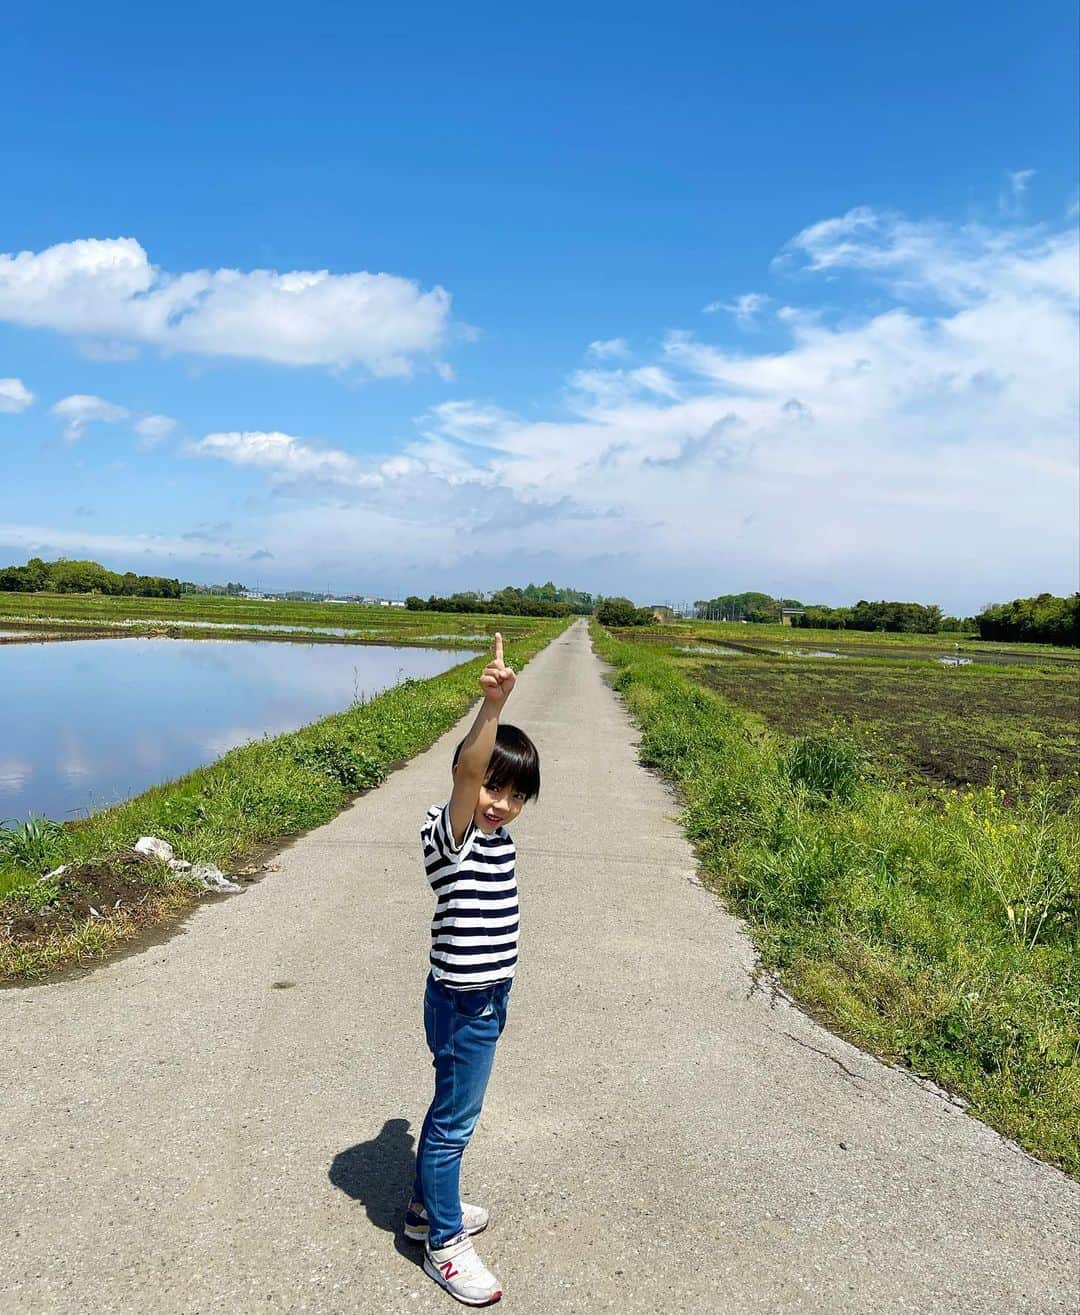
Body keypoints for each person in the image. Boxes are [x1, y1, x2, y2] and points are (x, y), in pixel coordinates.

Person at [403, 631, 540, 1306]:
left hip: (487, 996)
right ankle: (445, 1241)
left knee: (447, 1110)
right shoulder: (451, 834)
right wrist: (491, 708)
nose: (499, 801)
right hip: (463, 1003)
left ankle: (427, 1206)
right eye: (494, 785)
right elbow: (463, 775)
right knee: (456, 1121)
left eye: (515, 794)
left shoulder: (499, 839)